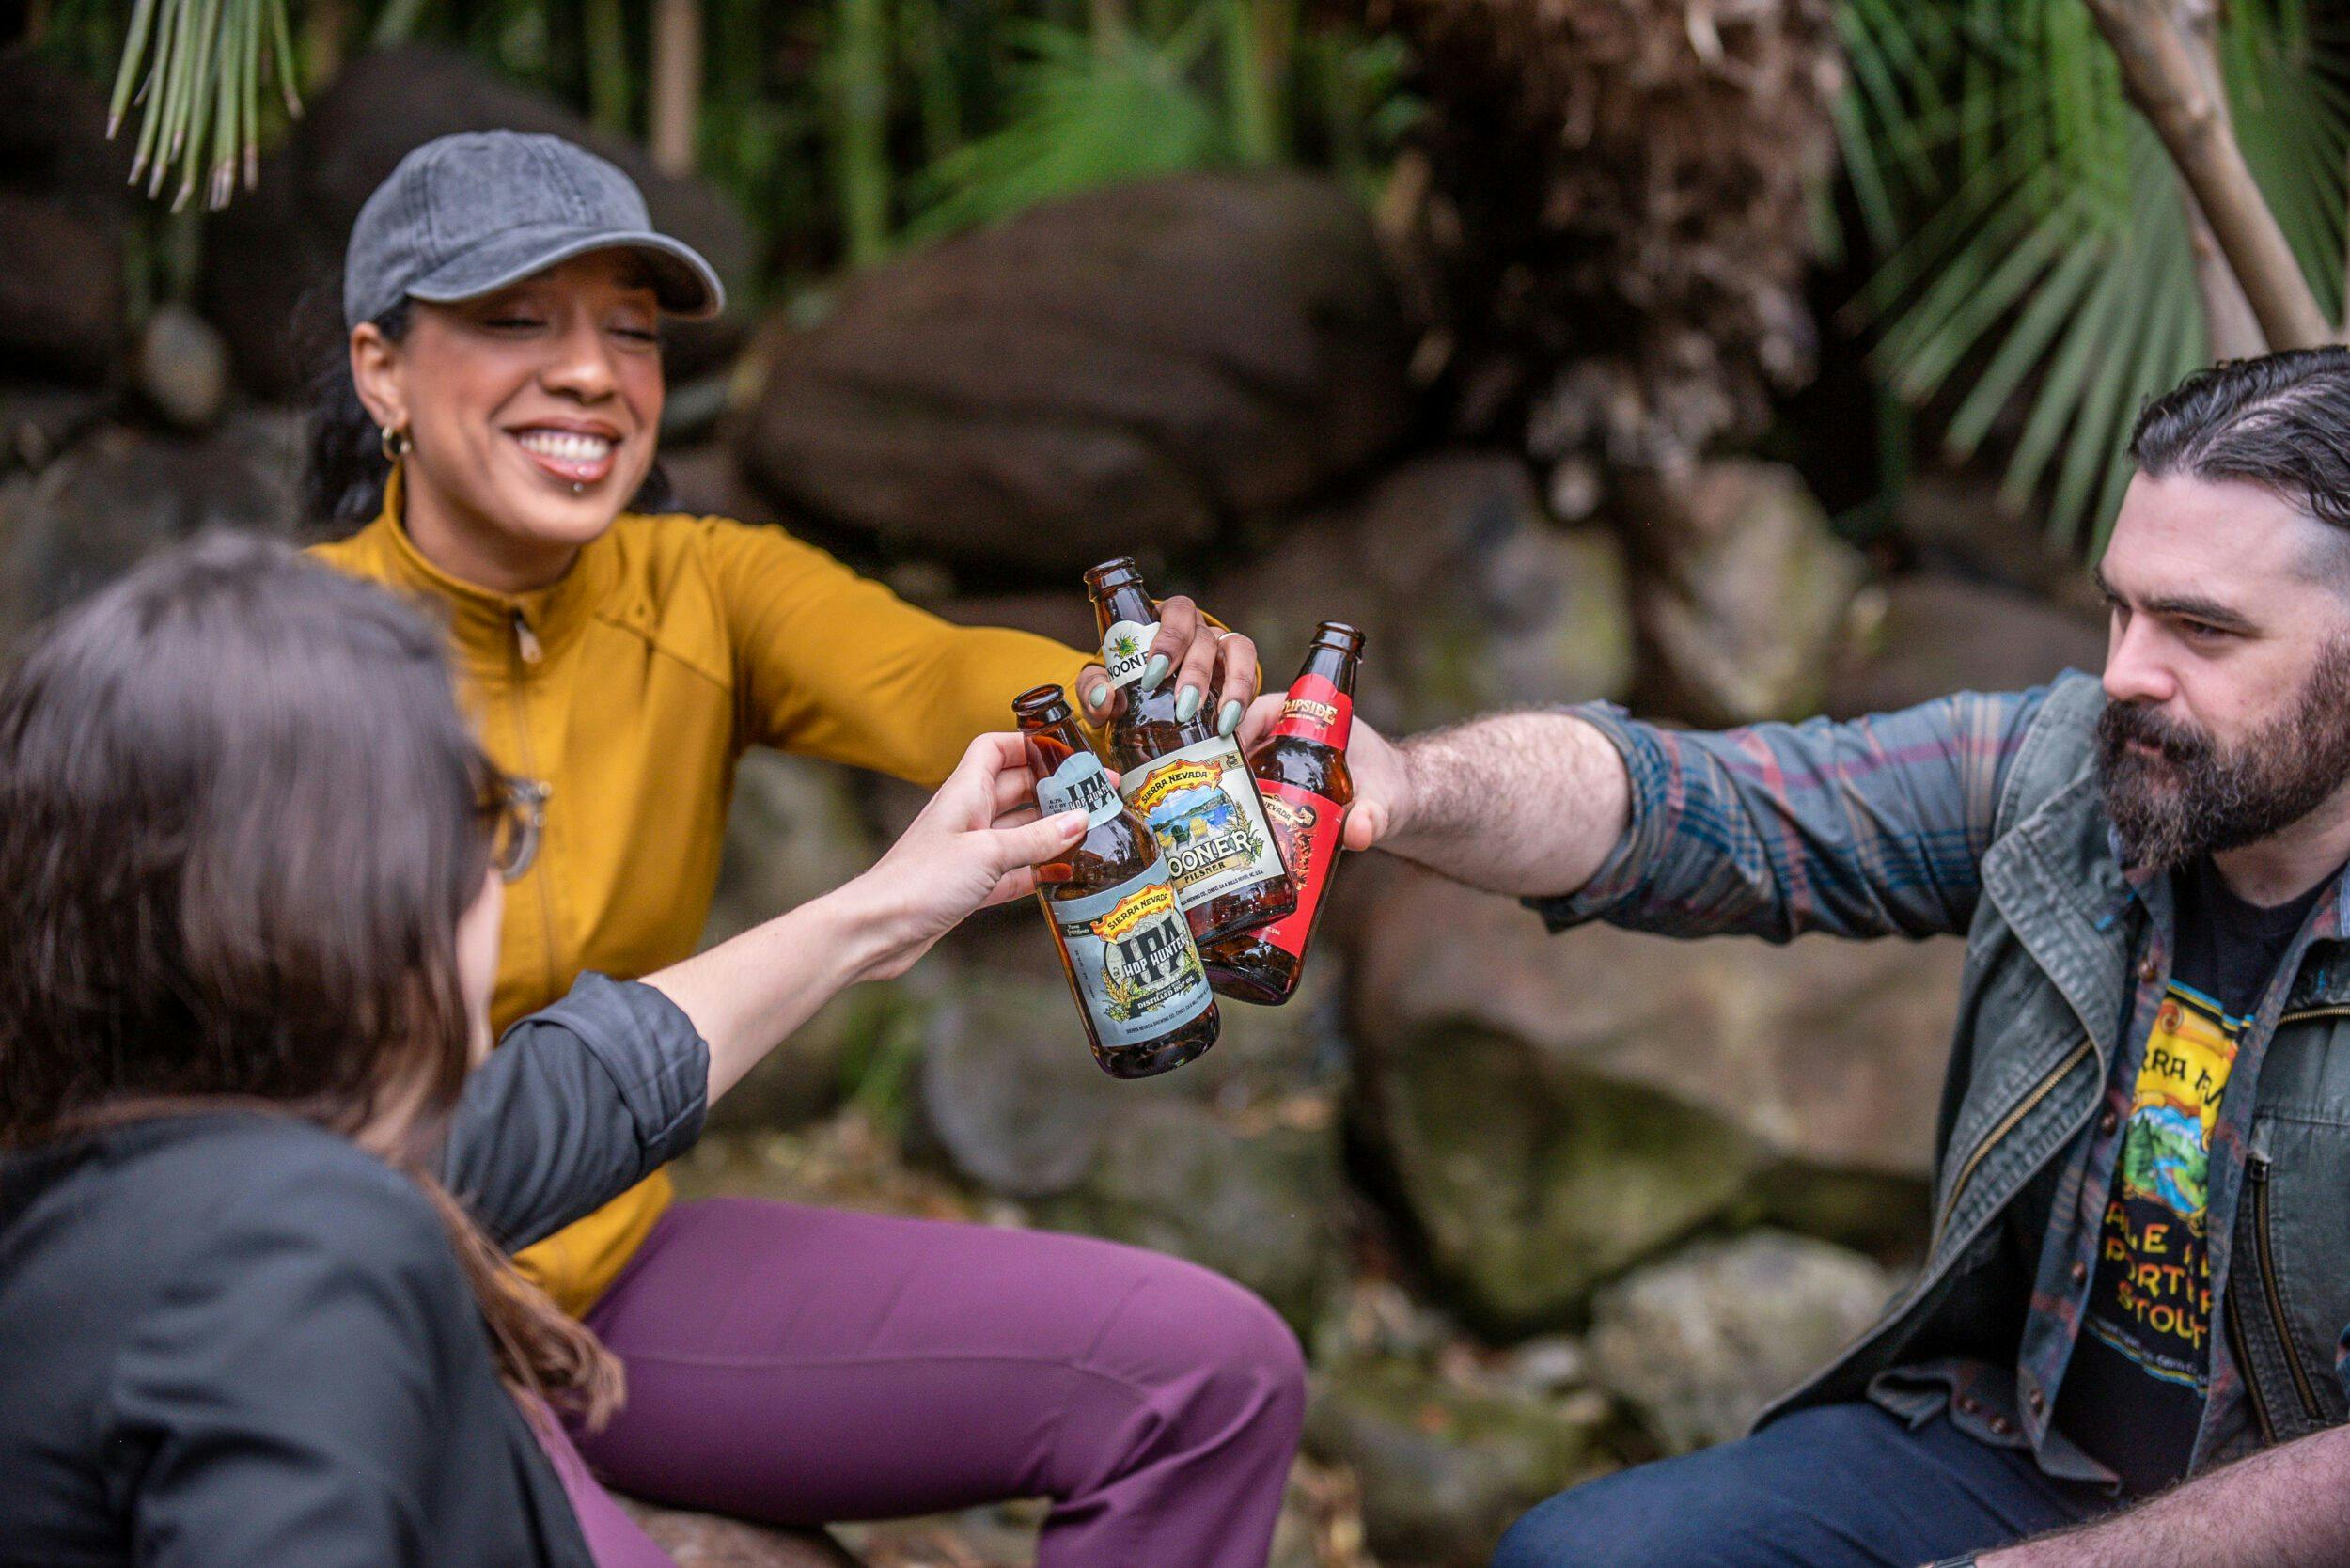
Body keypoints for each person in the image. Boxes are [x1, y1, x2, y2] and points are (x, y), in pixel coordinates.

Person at [306, 131, 1301, 1567]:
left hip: (609, 1281)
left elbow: (934, 678)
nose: (592, 372)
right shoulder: (256, 660)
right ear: (381, 369)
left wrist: (1134, 700)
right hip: (373, 1309)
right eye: (518, 319)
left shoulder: (704, 589)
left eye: (632, 334)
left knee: (1208, 1375)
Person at [1317, 349, 2350, 1567]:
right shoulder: (2068, 774)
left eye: (2202, 630)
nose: (2125, 674)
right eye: (2120, 607)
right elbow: (1703, 807)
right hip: (2014, 1453)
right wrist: (1400, 785)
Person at [0, 532, 1122, 1565]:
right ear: (343, 894)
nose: (499, 878)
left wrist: (880, 912)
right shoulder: (295, 1249)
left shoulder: (99, 1207)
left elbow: (572, 1091)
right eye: (484, 827)